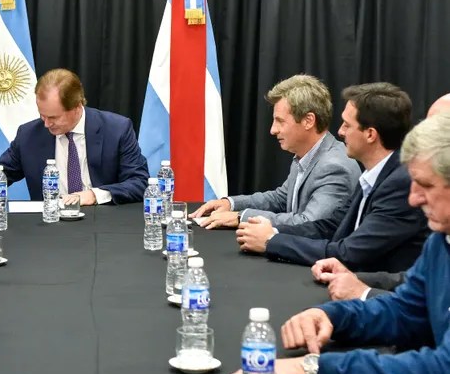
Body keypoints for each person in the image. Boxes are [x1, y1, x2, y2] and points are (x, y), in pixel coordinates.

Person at [225, 112, 450, 374]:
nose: (413, 198)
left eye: (426, 185)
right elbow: (405, 311)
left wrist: (317, 368)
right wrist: (334, 316)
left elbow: (442, 371)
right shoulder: (440, 243)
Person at [235, 83, 429, 272]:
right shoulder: (375, 174)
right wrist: (273, 232)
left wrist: (271, 241)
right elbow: (331, 225)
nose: (340, 132)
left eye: (347, 125)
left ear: (370, 134)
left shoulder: (400, 184)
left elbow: (349, 253)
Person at [309, 92, 450, 300]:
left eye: (440, 131)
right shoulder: (439, 241)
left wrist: (362, 291)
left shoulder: (398, 182)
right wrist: (355, 282)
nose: (414, 198)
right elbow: (415, 287)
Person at [192, 75, 360, 228]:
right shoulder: (306, 155)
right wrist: (230, 204)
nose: (273, 130)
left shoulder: (334, 167)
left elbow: (310, 223)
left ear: (308, 121)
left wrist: (240, 217)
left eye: (280, 121)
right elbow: (281, 199)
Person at [0, 68, 149, 205]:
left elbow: (139, 182)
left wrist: (95, 195)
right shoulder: (29, 135)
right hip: (49, 225)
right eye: (42, 115)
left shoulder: (116, 129)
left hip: (103, 222)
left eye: (53, 117)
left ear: (77, 107)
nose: (46, 124)